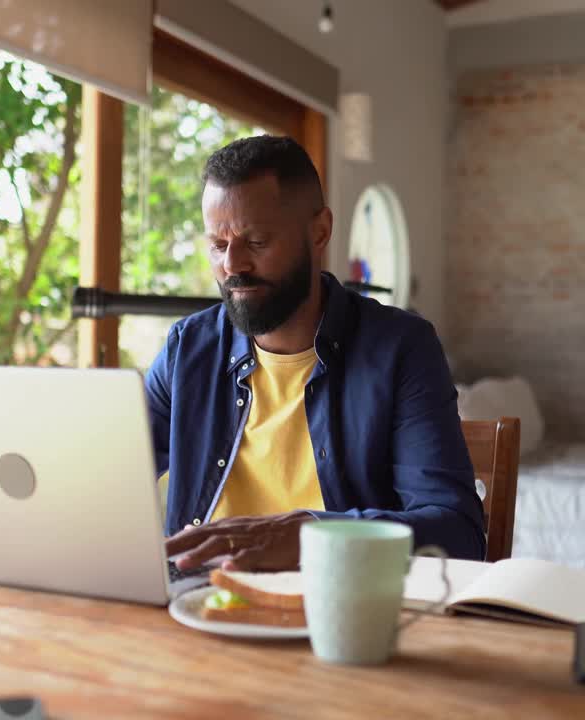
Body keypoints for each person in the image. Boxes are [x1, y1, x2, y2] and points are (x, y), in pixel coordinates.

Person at [146, 135, 484, 572]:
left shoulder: (401, 349)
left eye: (257, 241)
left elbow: (457, 534)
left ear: (320, 231)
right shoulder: (186, 350)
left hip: (339, 613)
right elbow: (104, 481)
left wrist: (312, 535)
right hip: (197, 606)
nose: (233, 265)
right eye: (218, 244)